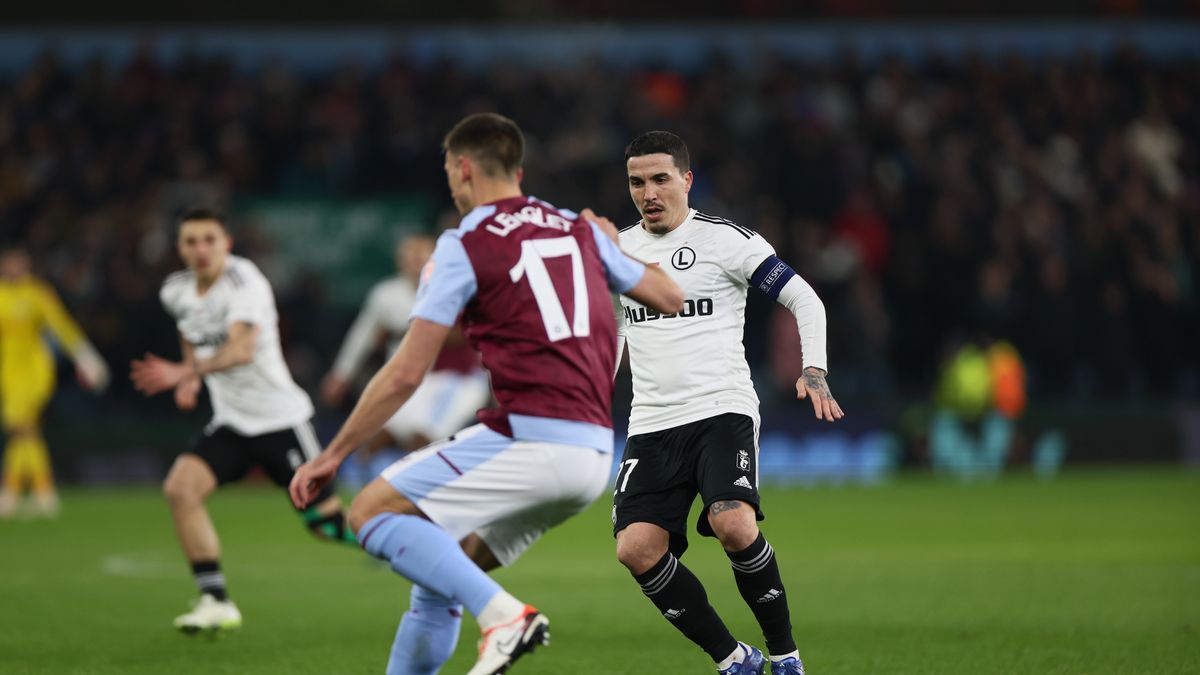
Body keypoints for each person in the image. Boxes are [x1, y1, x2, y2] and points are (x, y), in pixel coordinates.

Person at [289, 112, 684, 675]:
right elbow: (669, 295)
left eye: (450, 172)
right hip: (593, 456)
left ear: (464, 167)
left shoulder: (464, 243)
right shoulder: (577, 227)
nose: (451, 184)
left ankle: (503, 616)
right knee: (438, 573)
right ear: (518, 171)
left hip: (531, 439)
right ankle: (488, 617)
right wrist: (611, 247)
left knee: (371, 512)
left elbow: (405, 373)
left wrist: (332, 454)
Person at [612, 131, 844, 675]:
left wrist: (815, 368)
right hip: (651, 421)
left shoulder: (726, 241)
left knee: (733, 523)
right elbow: (614, 335)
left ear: (687, 180)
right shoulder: (616, 252)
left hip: (722, 408)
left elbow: (801, 296)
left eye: (661, 179)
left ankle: (786, 657)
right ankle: (734, 659)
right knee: (635, 549)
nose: (649, 192)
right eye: (637, 182)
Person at [130, 209, 357, 635]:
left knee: (329, 526)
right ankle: (215, 600)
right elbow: (190, 329)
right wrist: (190, 374)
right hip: (232, 424)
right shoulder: (175, 291)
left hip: (281, 422)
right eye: (191, 241)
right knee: (181, 489)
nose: (201, 250)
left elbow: (242, 350)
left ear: (226, 243)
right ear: (179, 248)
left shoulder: (244, 282)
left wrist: (185, 374)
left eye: (209, 240)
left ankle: (420, 547)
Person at [320, 234, 490, 458]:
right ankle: (364, 480)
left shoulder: (455, 288)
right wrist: (342, 373)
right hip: (405, 376)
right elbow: (361, 336)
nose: (415, 261)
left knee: (423, 436)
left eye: (421, 255)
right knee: (385, 431)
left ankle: (416, 486)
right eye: (409, 255)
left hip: (455, 376)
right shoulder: (386, 294)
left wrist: (402, 330)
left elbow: (467, 334)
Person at [0, 247, 109, 519]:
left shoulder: (37, 293)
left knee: (20, 428)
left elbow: (62, 326)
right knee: (26, 432)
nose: (13, 267)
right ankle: (39, 493)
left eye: (18, 262)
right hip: (8, 374)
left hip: (35, 371)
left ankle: (18, 493)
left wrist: (86, 357)